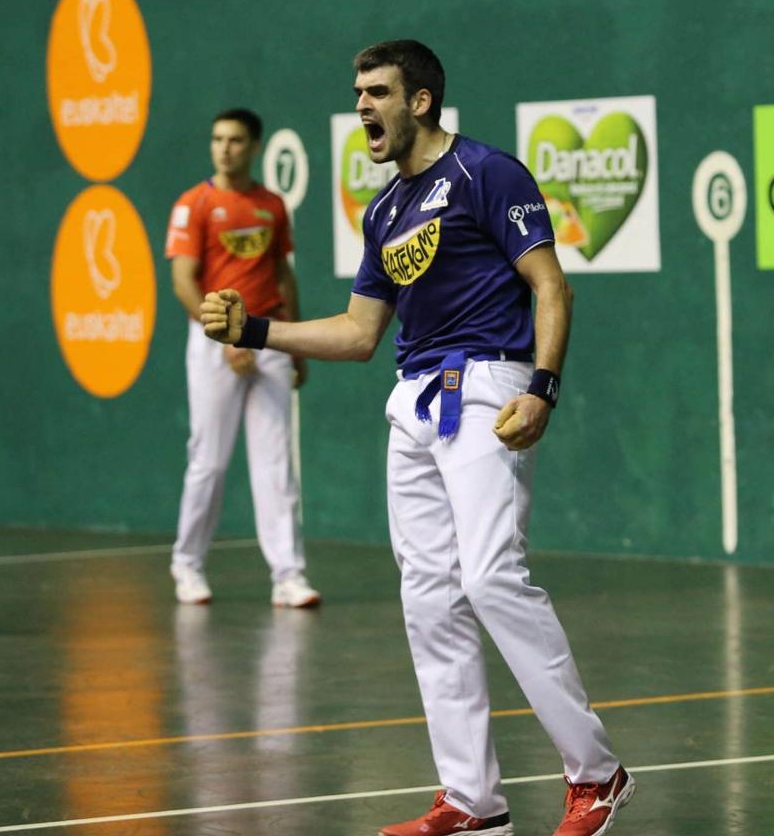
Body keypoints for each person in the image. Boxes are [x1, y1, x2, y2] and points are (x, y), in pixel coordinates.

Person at [200, 42, 634, 836]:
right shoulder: (385, 209)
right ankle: (473, 799)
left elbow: (551, 285)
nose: (361, 107)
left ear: (421, 101)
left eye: (376, 93)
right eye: (357, 93)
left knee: (492, 578)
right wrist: (259, 329)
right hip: (414, 405)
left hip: (490, 390)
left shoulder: (485, 175)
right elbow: (361, 332)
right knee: (428, 596)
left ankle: (597, 773)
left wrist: (543, 385)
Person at [164, 108, 319, 608]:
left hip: (269, 336)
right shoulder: (194, 204)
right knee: (208, 461)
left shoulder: (272, 205)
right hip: (213, 345)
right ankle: (187, 565)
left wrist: (294, 340)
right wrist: (225, 337)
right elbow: (184, 282)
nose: (224, 148)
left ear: (254, 147)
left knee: (276, 464)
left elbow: (282, 276)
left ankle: (288, 575)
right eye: (217, 139)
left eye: (234, 140)